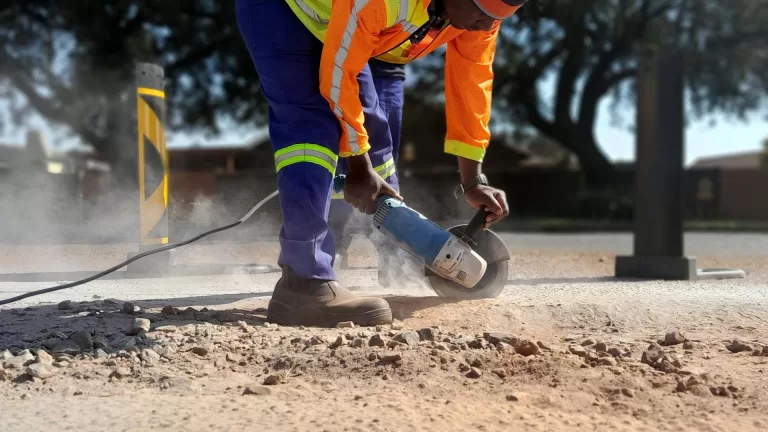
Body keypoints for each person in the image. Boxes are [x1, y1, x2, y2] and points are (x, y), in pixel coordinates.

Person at [236, 0, 520, 327]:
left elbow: (472, 85)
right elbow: (338, 78)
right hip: (282, 10)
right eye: (482, 14)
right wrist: (358, 168)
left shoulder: (483, 13)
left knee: (372, 131)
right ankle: (303, 282)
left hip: (337, 18)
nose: (487, 26)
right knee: (310, 130)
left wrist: (472, 180)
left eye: (498, 18)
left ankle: (400, 252)